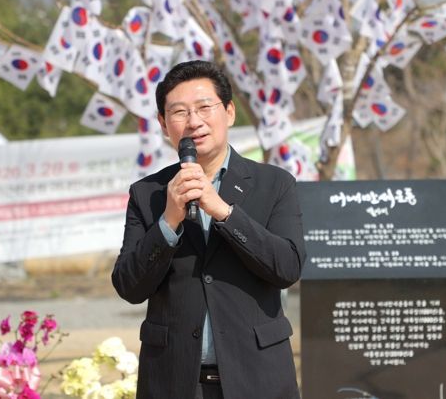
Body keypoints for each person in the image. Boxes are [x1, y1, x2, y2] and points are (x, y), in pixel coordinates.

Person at [112, 60, 306, 399]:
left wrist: (223, 212)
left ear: (229, 112)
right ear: (163, 124)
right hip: (173, 380)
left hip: (258, 378)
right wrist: (168, 221)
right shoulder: (148, 194)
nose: (194, 121)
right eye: (179, 112)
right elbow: (129, 286)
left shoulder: (274, 184)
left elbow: (287, 268)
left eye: (205, 107)